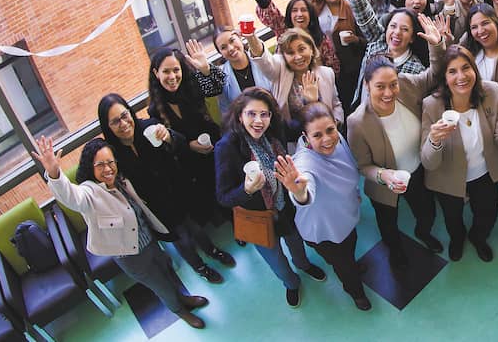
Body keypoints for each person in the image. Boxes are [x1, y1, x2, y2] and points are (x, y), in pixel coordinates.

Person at [36, 137, 209, 329]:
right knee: (161, 286)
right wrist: (54, 172)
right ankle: (180, 311)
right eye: (100, 164)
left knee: (168, 272)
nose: (108, 169)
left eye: (110, 162)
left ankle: (184, 298)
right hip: (131, 256)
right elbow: (70, 196)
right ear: (90, 167)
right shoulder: (90, 193)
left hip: (150, 242)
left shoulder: (121, 181)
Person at [347, 13, 448, 271]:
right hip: (386, 183)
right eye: (380, 86)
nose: (389, 92)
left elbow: (433, 75)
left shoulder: (406, 84)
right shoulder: (357, 122)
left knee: (426, 213)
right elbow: (362, 165)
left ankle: (423, 233)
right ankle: (396, 252)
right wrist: (384, 176)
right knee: (388, 224)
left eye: (392, 84)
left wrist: (436, 45)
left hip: (418, 170)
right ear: (367, 85)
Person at [99, 94, 234, 284]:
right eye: (115, 121)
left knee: (196, 229)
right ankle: (200, 267)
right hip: (155, 207)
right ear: (108, 127)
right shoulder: (113, 153)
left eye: (124, 115)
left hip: (178, 192)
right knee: (181, 241)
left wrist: (169, 136)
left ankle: (213, 251)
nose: (123, 123)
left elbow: (181, 146)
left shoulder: (150, 127)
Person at [214, 87, 327, 308]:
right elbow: (223, 197)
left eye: (264, 114)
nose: (258, 121)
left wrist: (310, 102)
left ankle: (303, 265)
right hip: (257, 217)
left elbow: (300, 127)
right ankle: (291, 283)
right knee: (274, 258)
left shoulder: (276, 131)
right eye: (251, 114)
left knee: (296, 241)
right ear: (239, 116)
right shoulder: (226, 147)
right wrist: (246, 190)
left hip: (285, 207)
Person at [275, 102, 371, 311]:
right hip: (324, 231)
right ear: (305, 137)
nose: (327, 139)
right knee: (343, 265)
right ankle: (355, 291)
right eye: (317, 135)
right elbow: (305, 191)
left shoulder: (339, 141)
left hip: (345, 216)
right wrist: (298, 190)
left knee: (350, 248)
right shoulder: (304, 162)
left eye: (330, 130)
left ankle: (352, 268)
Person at [421, 45, 498, 262]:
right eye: (452, 71)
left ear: (475, 70)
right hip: (448, 177)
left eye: (465, 68)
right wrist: (434, 140)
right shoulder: (432, 105)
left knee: (488, 213)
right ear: (444, 77)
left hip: (484, 173)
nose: (461, 77)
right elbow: (428, 162)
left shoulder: (491, 92)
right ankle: (457, 240)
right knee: (452, 217)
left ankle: (478, 238)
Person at [257, 0, 366, 111]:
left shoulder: (351, 8)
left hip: (342, 67)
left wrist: (354, 39)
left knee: (340, 103)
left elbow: (364, 38)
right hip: (310, 63)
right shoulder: (315, 2)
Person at [147, 46, 223, 232]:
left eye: (176, 70)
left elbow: (218, 86)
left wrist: (205, 68)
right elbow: (168, 143)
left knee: (224, 180)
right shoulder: (155, 109)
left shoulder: (193, 86)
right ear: (156, 73)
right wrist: (190, 146)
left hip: (215, 145)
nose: (172, 76)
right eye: (166, 71)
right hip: (189, 158)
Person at [345, 0, 429, 107]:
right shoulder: (377, 44)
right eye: (393, 26)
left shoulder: (416, 70)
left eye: (404, 29)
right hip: (363, 113)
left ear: (412, 38)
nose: (397, 33)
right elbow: (365, 15)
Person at [242, 0, 340, 74]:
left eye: (304, 10)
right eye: (294, 10)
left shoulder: (321, 39)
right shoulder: (283, 30)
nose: (299, 14)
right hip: (287, 87)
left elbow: (333, 68)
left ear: (311, 15)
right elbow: (268, 8)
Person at [462, 3, 498, 101]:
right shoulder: (470, 52)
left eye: (485, 23)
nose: (480, 31)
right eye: (474, 27)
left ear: (496, 22)